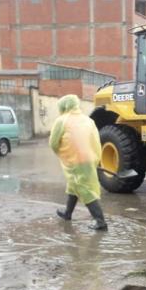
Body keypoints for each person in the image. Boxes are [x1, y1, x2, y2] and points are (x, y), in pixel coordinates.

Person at [49, 94, 107, 231]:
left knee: (84, 189)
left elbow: (53, 143)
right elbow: (96, 141)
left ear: (63, 106)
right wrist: (95, 159)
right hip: (89, 158)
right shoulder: (88, 120)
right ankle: (67, 213)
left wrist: (63, 154)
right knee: (73, 185)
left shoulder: (61, 121)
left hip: (75, 160)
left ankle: (100, 221)